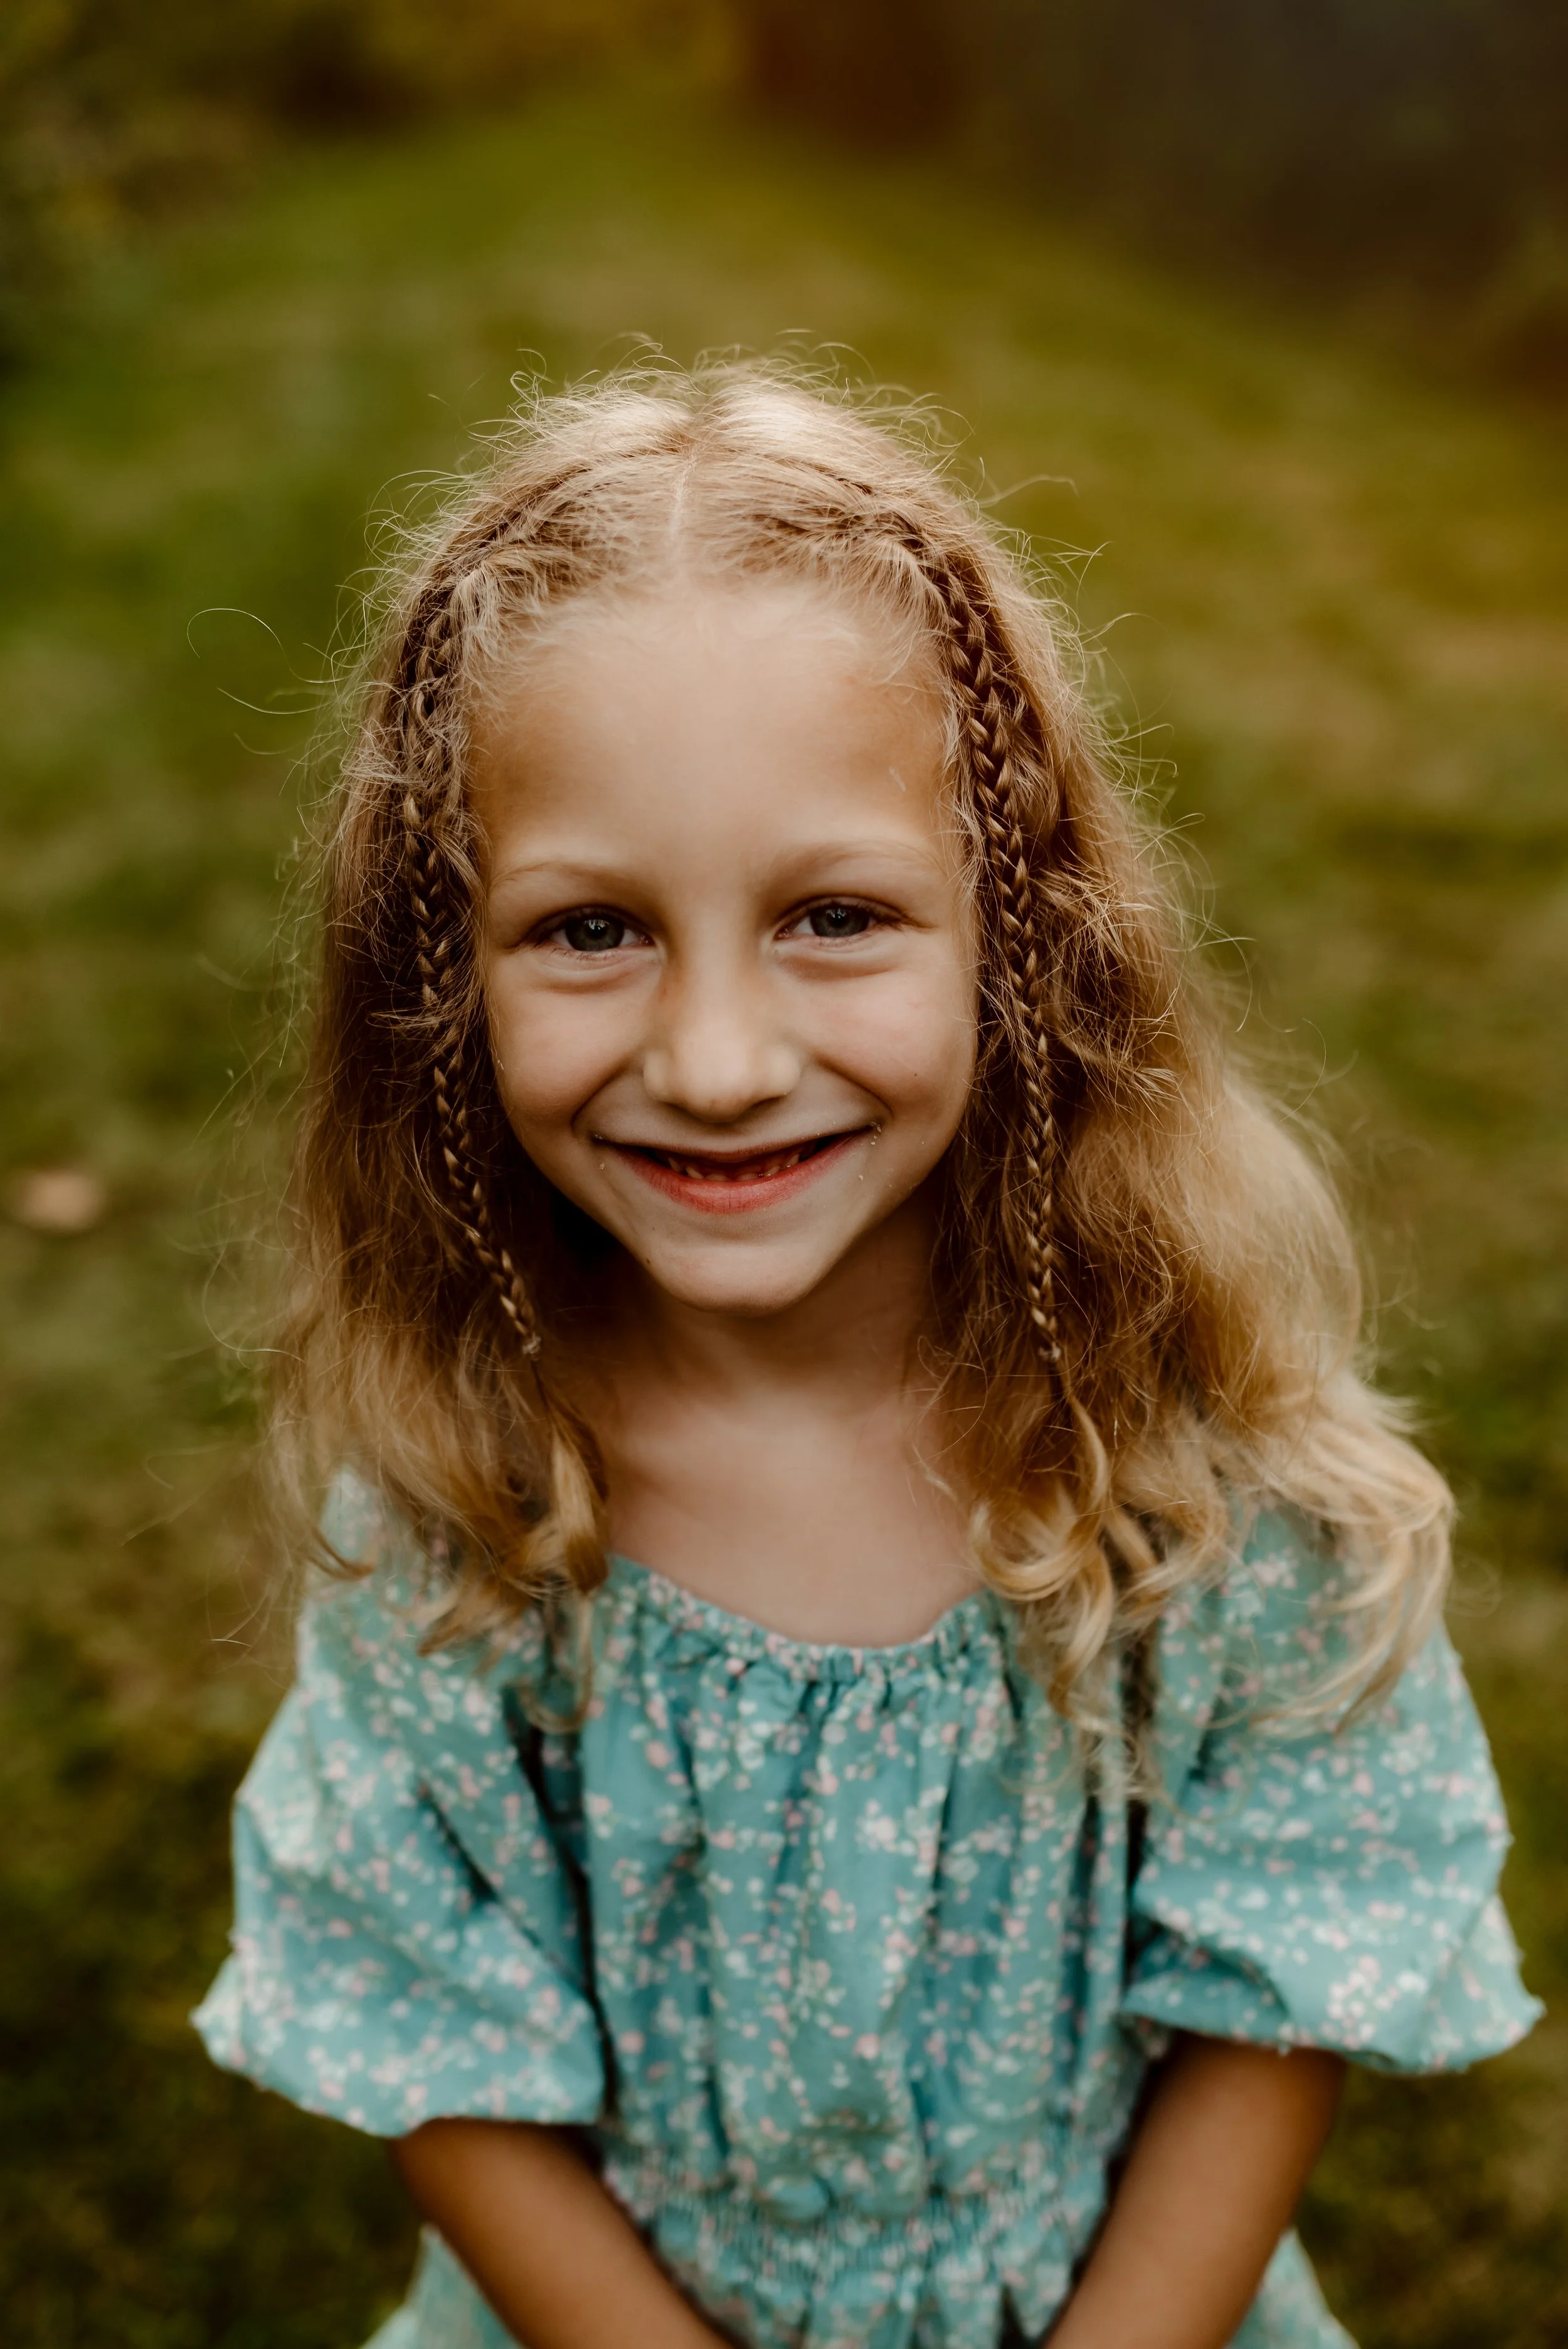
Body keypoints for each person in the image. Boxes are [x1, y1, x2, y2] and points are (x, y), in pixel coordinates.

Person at [195, 365, 1539, 2349]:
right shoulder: (459, 1479)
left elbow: (1284, 1968)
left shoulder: (1181, 1455)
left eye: (833, 915)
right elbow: (431, 2021)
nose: (718, 1063)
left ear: (1022, 935)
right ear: (437, 974)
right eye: (588, 931)